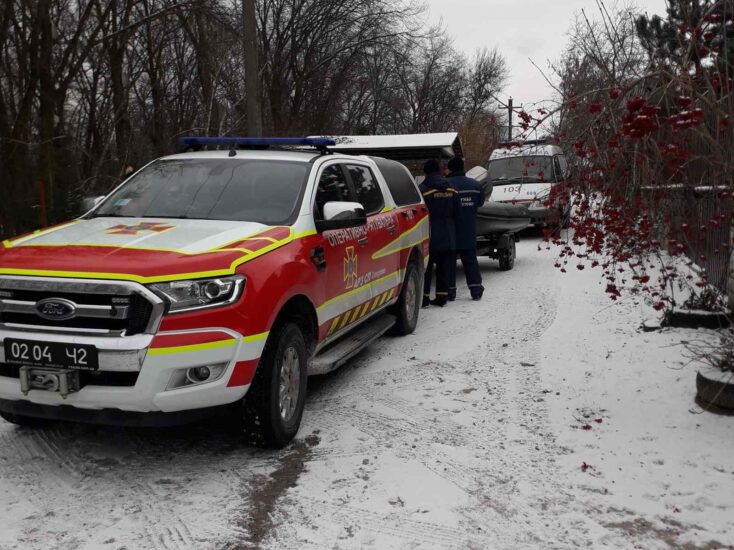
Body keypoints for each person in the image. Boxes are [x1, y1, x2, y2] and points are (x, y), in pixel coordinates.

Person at [419, 159, 460, 307]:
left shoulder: (423, 190)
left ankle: (423, 298)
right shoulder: (451, 189)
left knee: (426, 268)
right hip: (449, 234)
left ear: (426, 172)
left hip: (429, 234)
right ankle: (442, 297)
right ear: (439, 170)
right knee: (444, 267)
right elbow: (458, 211)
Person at [446, 156, 485, 301]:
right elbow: (480, 203)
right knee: (470, 261)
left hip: (451, 232)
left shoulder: (446, 186)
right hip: (469, 230)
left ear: (450, 169)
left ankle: (450, 292)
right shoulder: (475, 185)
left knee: (449, 262)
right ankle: (476, 290)